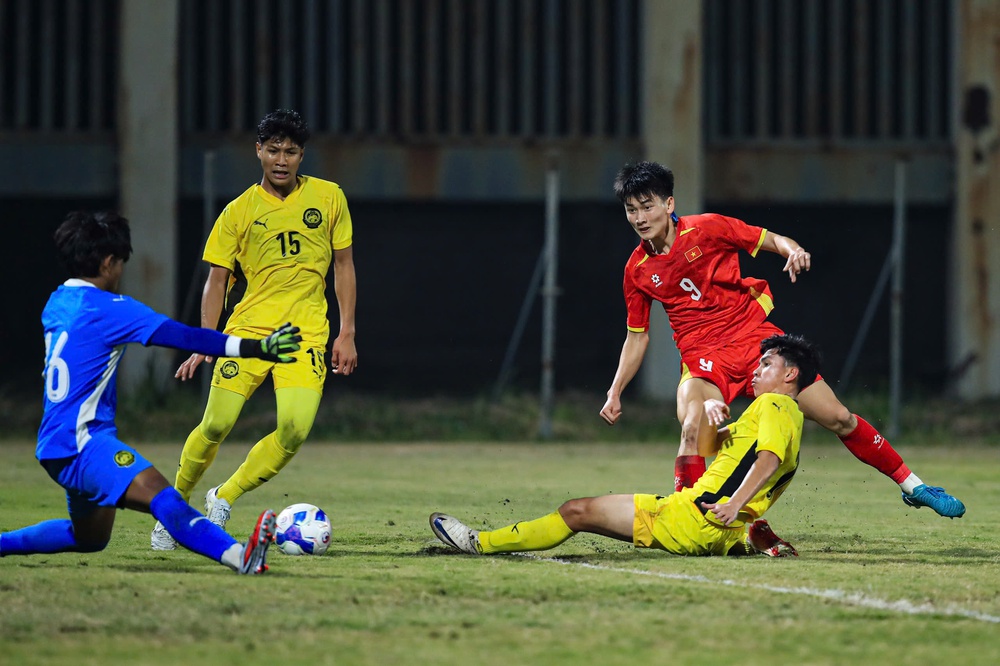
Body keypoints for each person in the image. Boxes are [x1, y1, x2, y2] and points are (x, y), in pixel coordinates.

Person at [598, 161, 965, 518]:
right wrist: (615, 392)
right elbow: (637, 336)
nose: (640, 218)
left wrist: (793, 250)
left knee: (839, 418)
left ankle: (914, 486)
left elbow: (769, 239)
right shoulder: (637, 270)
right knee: (693, 427)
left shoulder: (709, 228)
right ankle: (685, 517)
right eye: (631, 210)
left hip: (757, 342)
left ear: (669, 204)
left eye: (647, 207)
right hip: (705, 358)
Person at [0, 211, 300, 573]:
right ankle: (241, 557)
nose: (121, 271)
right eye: (121, 263)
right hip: (84, 444)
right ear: (108, 262)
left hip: (55, 443)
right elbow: (186, 337)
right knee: (163, 495)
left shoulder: (57, 302)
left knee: (90, 539)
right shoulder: (111, 310)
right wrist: (257, 348)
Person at [151, 109, 357, 550]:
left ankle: (224, 495)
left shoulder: (329, 197)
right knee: (215, 424)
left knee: (295, 431)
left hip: (305, 335)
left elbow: (344, 265)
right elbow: (217, 280)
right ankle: (174, 508)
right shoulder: (238, 212)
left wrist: (347, 332)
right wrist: (206, 341)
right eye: (274, 150)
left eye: (292, 151)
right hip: (248, 335)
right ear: (258, 151)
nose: (282, 160)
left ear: (302, 155)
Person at [431, 334, 818, 558]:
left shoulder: (776, 404)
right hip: (719, 525)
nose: (756, 369)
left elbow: (768, 460)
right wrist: (714, 418)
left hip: (696, 518)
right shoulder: (778, 414)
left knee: (575, 511)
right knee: (687, 436)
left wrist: (733, 505)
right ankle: (749, 539)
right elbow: (718, 455)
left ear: (791, 374)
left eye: (766, 364)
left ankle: (479, 543)